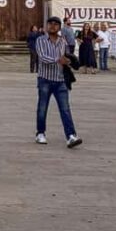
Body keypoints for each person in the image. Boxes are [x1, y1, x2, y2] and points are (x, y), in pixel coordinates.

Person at [35, 16, 82, 148]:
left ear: (59, 27)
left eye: (56, 24)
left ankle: (71, 135)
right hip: (45, 79)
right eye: (50, 23)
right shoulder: (40, 40)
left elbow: (66, 56)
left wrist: (68, 61)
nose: (53, 26)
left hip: (60, 80)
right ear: (46, 26)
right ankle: (40, 133)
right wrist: (58, 59)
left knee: (65, 109)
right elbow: (43, 57)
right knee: (42, 108)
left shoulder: (63, 41)